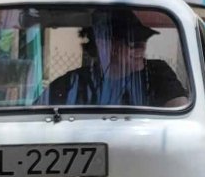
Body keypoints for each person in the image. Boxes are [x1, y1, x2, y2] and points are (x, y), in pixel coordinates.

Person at [47, 11, 188, 107]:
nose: (142, 48)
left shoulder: (157, 73)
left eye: (144, 40)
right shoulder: (72, 83)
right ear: (105, 46)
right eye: (133, 42)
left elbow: (181, 114)